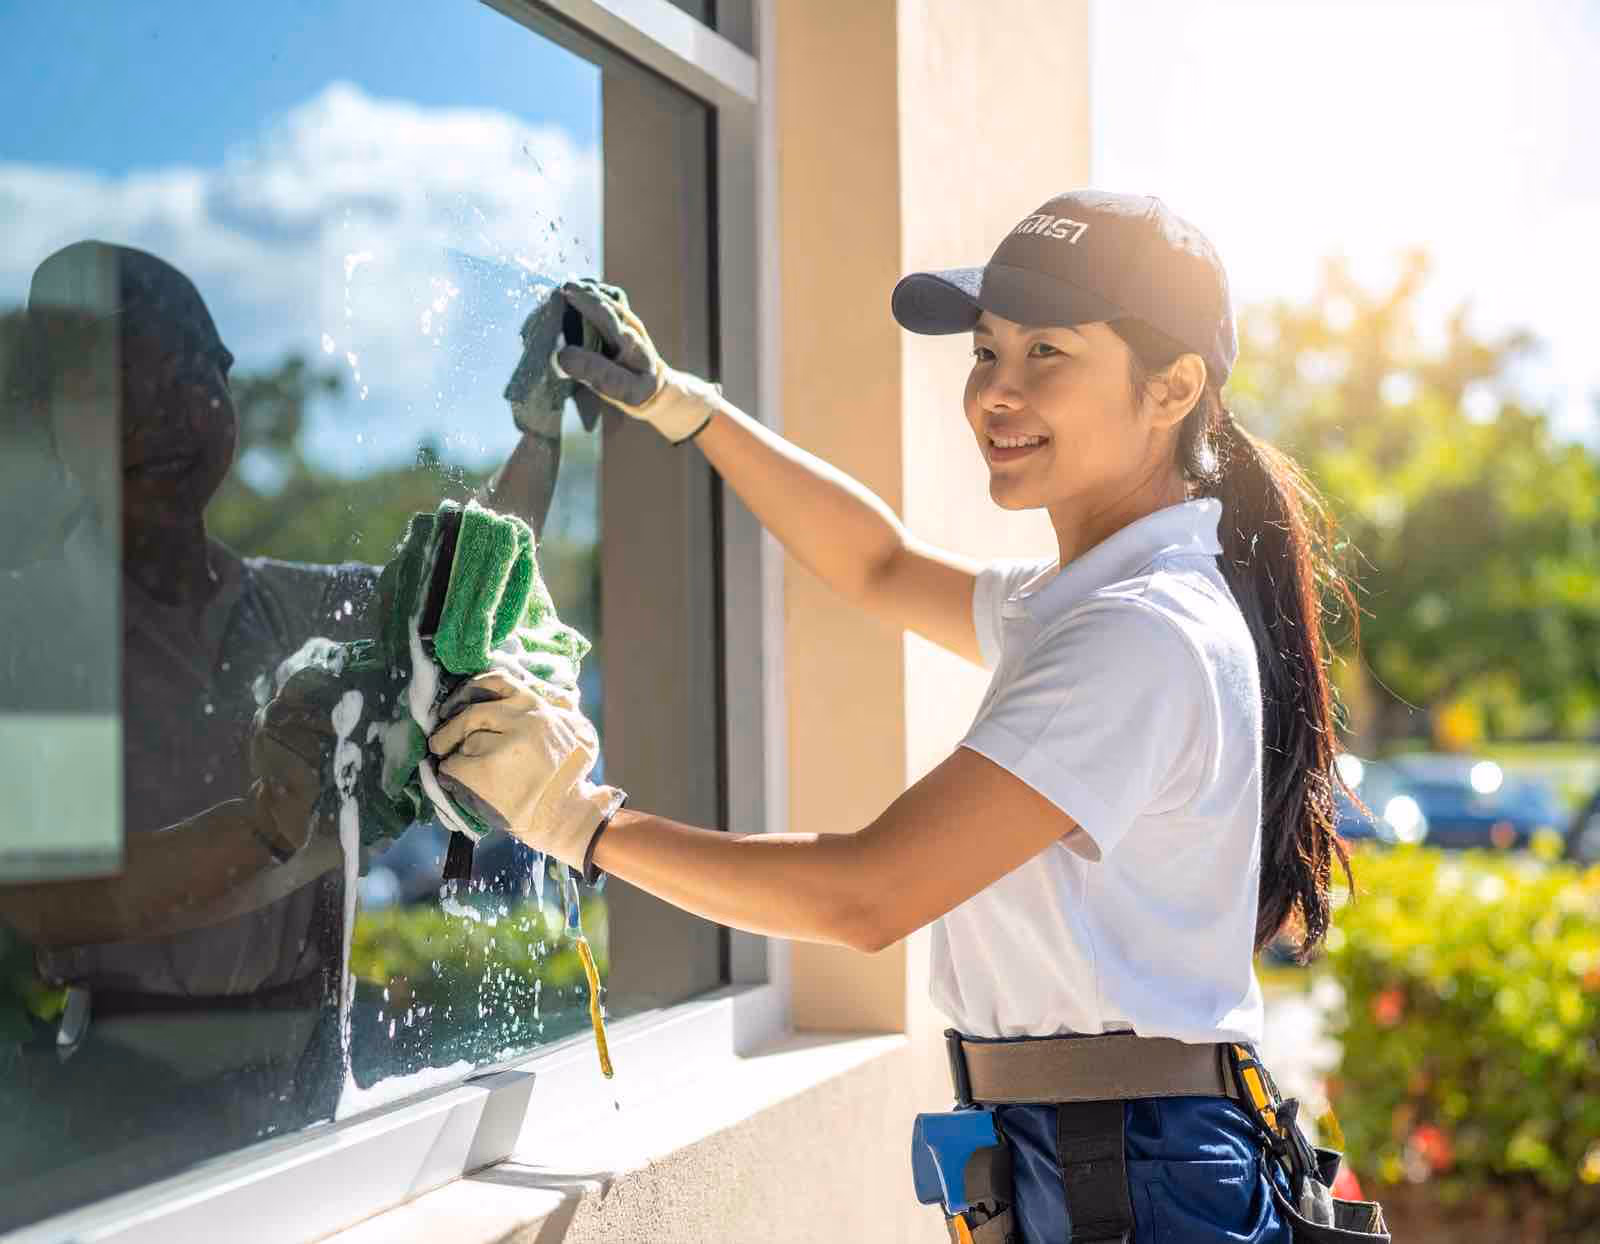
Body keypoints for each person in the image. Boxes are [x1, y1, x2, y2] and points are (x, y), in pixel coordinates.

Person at [426, 191, 1358, 1242]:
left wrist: (578, 819)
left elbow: (869, 894)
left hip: (1132, 1167)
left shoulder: (1137, 634)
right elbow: (875, 563)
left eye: (1045, 351)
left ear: (1172, 384)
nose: (994, 395)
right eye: (985, 351)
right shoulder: (1084, 601)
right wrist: (682, 405)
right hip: (1099, 1150)